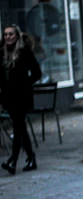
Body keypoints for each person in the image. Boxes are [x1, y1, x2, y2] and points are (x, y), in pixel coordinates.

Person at [0, 24, 42, 175]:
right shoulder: (2, 53)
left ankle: (13, 160)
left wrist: (25, 84)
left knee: (18, 127)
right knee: (21, 127)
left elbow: (37, 72)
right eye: (5, 35)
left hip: (22, 96)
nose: (8, 37)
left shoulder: (24, 52)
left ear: (17, 35)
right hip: (8, 98)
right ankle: (31, 158)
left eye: (11, 34)